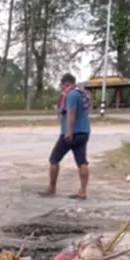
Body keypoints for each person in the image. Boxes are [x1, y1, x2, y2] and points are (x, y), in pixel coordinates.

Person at [43, 72, 92, 200]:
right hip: (84, 132)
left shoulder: (71, 95)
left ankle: (51, 188)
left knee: (54, 160)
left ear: (66, 84)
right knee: (82, 162)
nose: (62, 88)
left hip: (71, 133)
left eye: (62, 86)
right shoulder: (82, 94)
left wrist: (69, 130)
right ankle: (83, 191)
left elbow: (71, 112)